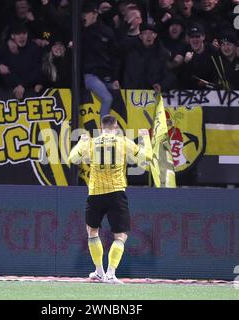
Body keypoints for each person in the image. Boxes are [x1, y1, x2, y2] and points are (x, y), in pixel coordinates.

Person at [68, 115, 152, 284]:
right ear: (116, 127)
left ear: (101, 127)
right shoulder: (123, 142)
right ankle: (110, 274)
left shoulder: (91, 142)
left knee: (92, 232)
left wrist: (81, 142)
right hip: (116, 193)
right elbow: (146, 158)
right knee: (120, 236)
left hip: (95, 193)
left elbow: (72, 159)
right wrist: (145, 139)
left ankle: (99, 271)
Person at [81, 1, 120, 118]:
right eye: (82, 13)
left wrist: (115, 78)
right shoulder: (80, 31)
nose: (83, 16)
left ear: (95, 14)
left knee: (118, 96)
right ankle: (104, 130)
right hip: (90, 75)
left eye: (86, 13)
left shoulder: (106, 31)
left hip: (106, 75)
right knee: (107, 98)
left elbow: (115, 56)